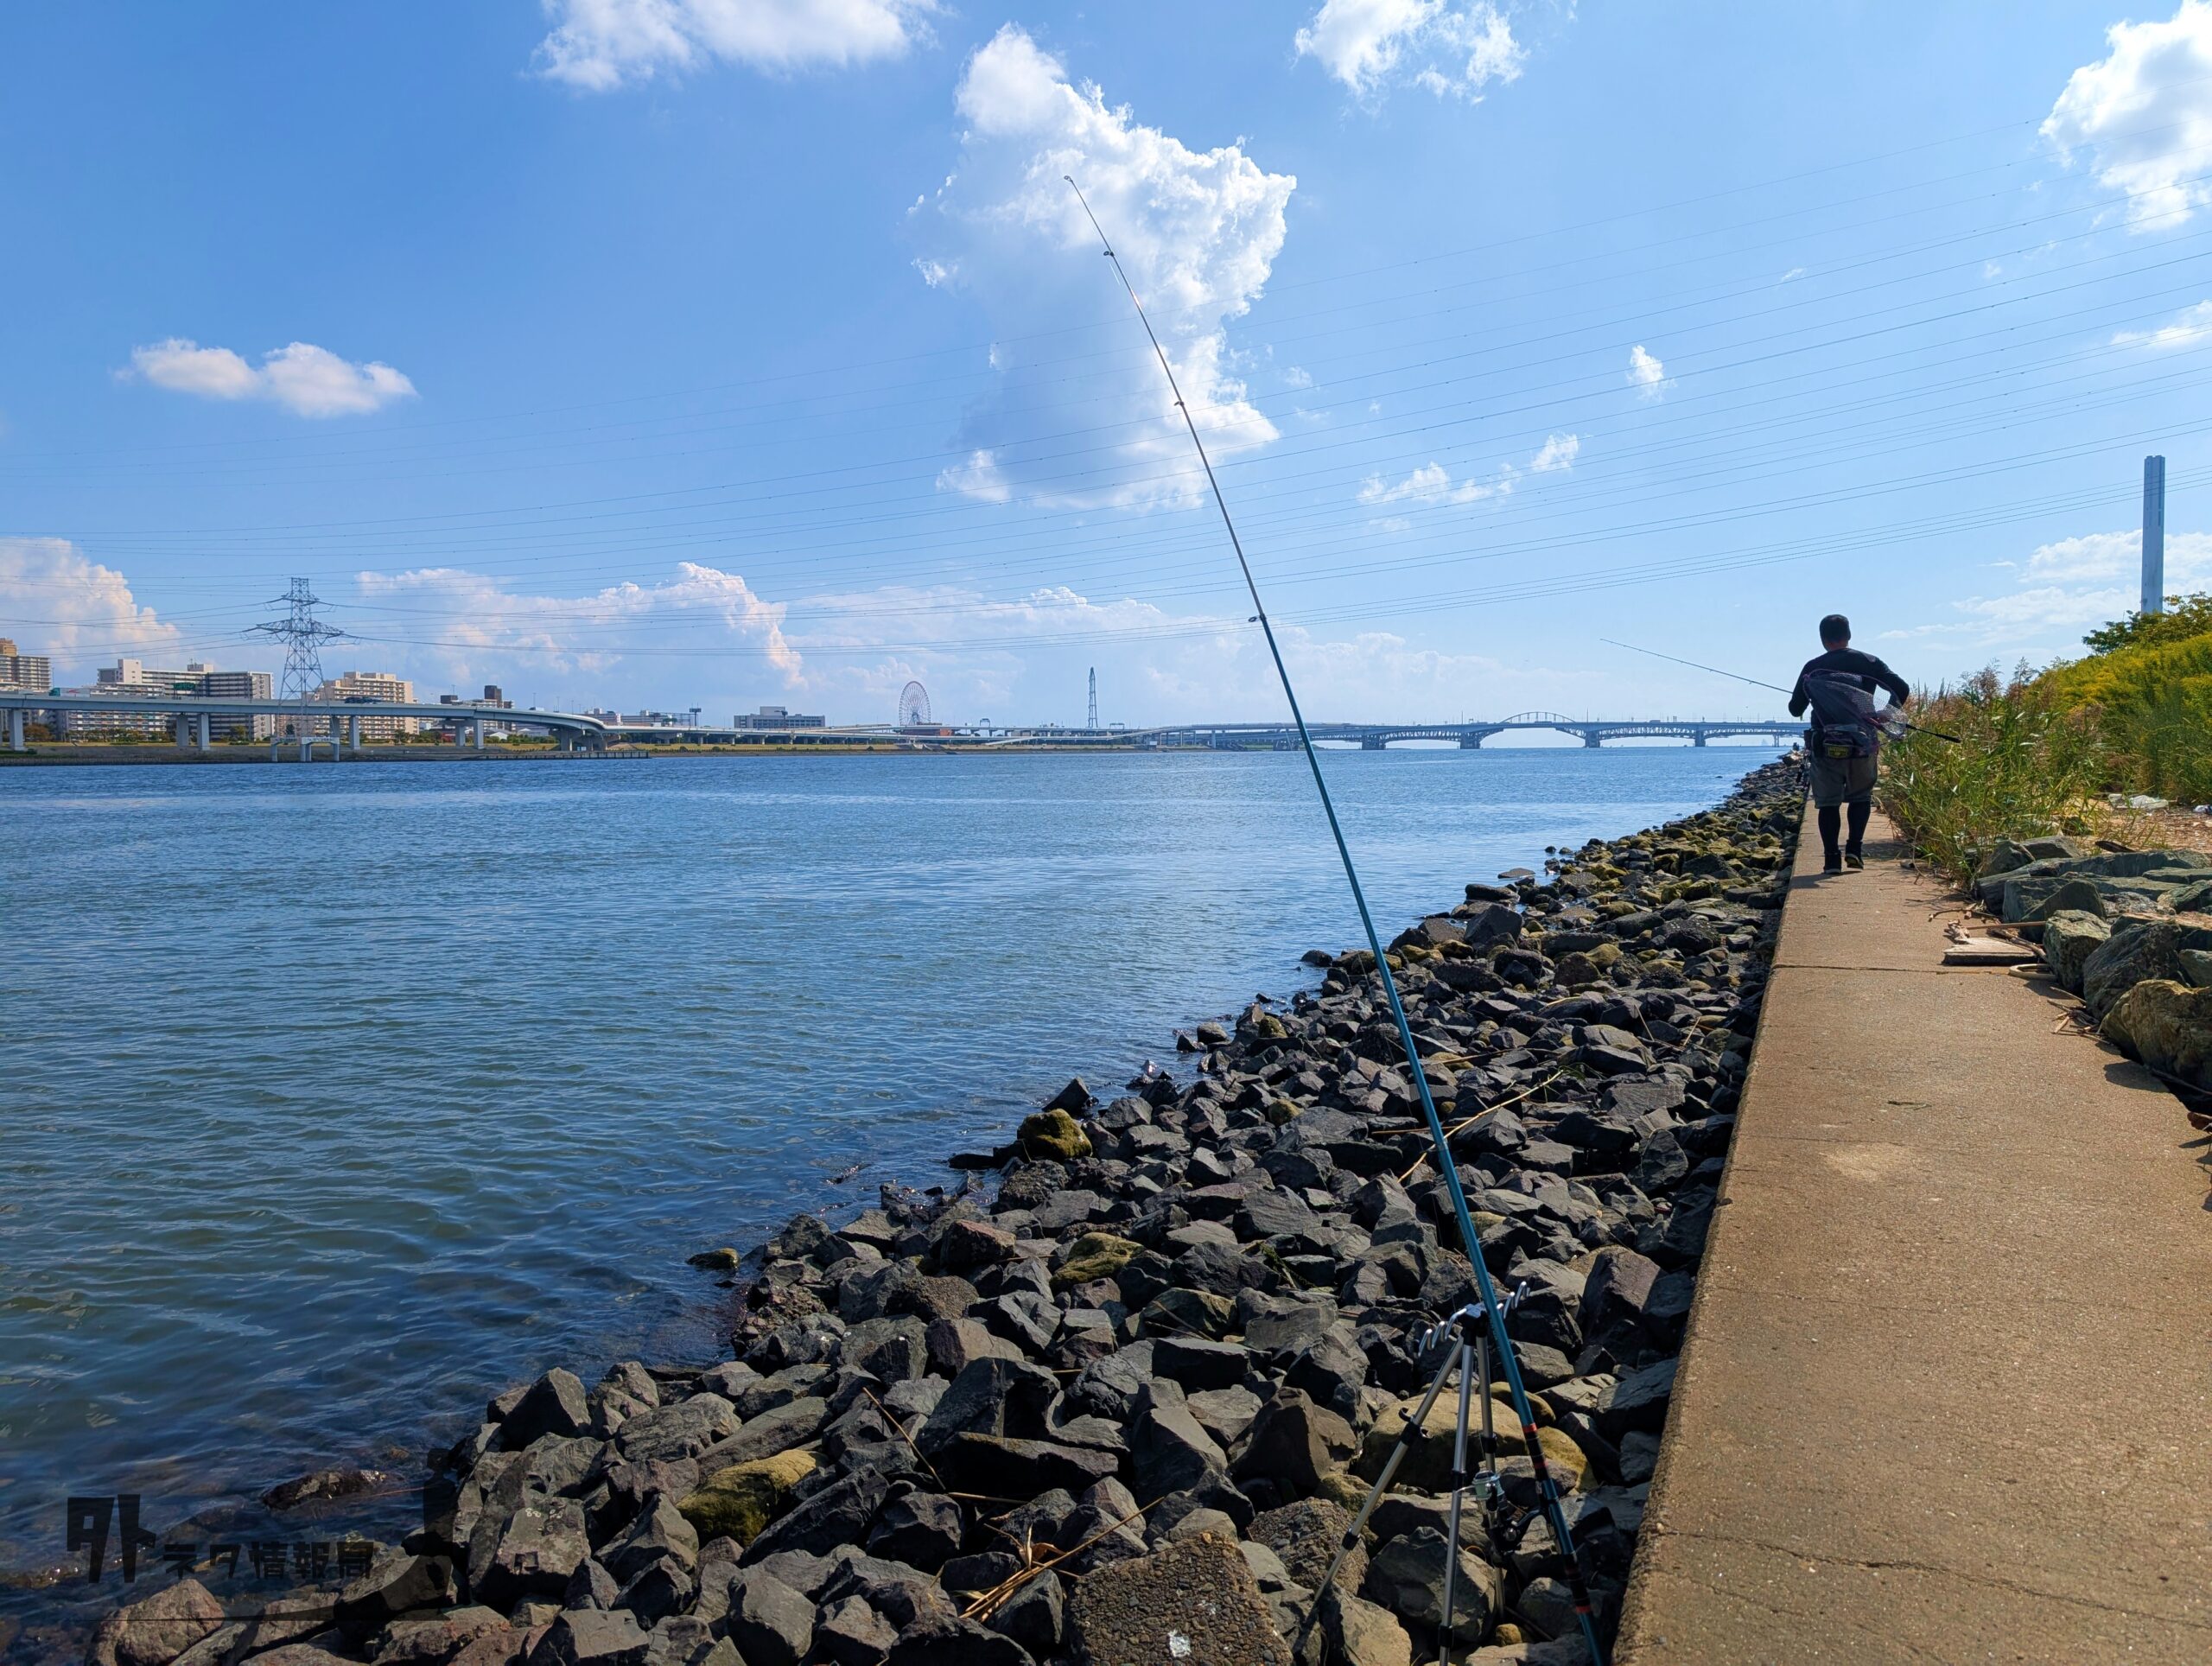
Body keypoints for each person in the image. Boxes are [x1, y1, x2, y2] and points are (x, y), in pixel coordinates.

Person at [1787, 614, 1910, 873]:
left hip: (1825, 743)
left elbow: (1794, 707)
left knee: (1828, 802)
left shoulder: (1812, 666)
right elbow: (1902, 688)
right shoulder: (1869, 661)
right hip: (1862, 742)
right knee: (1860, 797)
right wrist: (1885, 712)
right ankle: (1854, 849)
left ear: (1823, 640)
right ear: (1849, 635)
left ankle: (1831, 859)